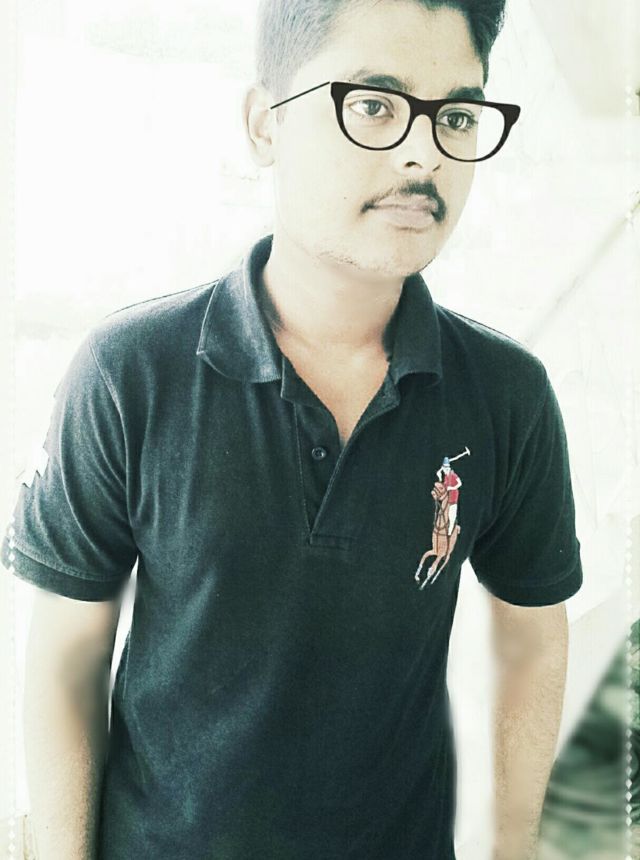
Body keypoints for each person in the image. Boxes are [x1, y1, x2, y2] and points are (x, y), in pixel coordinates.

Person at [1, 1, 584, 858]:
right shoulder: (132, 373)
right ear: (264, 123)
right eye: (375, 105)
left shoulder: (505, 395)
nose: (424, 154)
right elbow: (67, 652)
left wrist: (516, 846)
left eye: (457, 116)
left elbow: (532, 635)